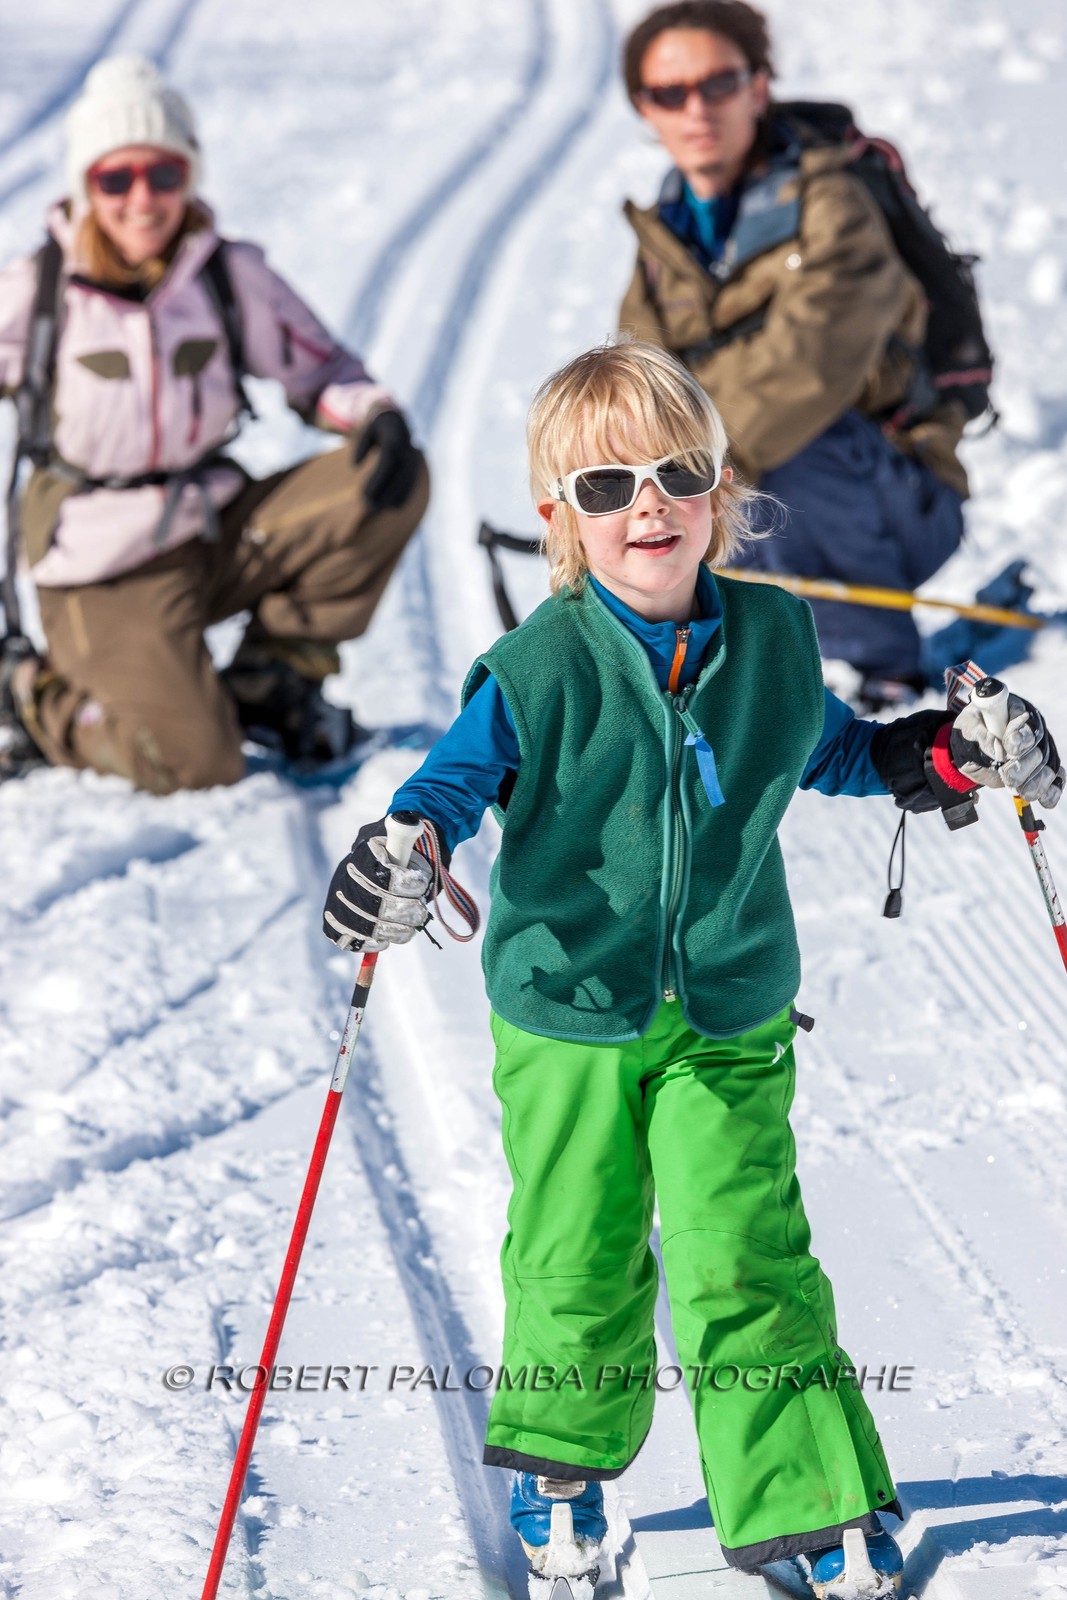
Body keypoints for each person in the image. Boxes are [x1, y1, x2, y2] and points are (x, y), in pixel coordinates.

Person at [318, 340, 1062, 1592]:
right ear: (560, 518)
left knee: (742, 1251)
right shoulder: (536, 669)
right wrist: (407, 845)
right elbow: (448, 784)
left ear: (720, 488)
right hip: (568, 1012)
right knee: (577, 1246)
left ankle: (806, 1496)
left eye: (675, 471)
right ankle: (560, 1462)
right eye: (605, 486)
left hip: (726, 1010)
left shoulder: (769, 637)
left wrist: (953, 752)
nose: (646, 504)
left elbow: (835, 751)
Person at [0, 55, 428, 791]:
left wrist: (374, 415)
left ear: (188, 176)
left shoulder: (226, 276)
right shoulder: (38, 293)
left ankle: (272, 678)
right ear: (85, 185)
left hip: (209, 525)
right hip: (101, 567)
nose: (143, 199)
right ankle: (33, 697)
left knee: (390, 478)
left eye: (163, 173)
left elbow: (324, 369)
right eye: (116, 178)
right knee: (198, 763)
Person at [618, 0, 969, 708]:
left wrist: (679, 465)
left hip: (899, 499)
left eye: (719, 83)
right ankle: (719, 665)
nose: (697, 109)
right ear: (645, 109)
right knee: (658, 473)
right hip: (739, 490)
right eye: (670, 93)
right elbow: (639, 393)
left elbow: (805, 372)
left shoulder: (833, 204)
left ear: (757, 87)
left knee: (783, 442)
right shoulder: (664, 243)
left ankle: (878, 667)